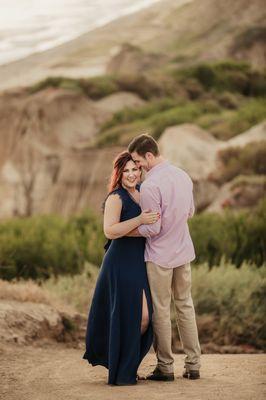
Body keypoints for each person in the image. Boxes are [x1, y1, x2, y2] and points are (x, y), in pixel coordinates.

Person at [127, 134, 201, 381]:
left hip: (159, 256)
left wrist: (128, 230)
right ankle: (193, 365)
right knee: (185, 305)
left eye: (138, 161)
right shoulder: (183, 175)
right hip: (183, 252)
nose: (138, 167)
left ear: (149, 155)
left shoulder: (150, 185)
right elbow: (189, 212)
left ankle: (165, 367)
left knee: (160, 309)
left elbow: (152, 228)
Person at [82, 151, 160, 386]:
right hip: (119, 262)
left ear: (140, 169)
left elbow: (145, 230)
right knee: (135, 315)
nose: (131, 174)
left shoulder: (143, 192)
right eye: (125, 171)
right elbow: (110, 231)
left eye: (134, 169)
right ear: (119, 174)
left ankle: (127, 365)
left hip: (139, 260)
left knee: (145, 318)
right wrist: (140, 221)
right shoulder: (116, 197)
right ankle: (122, 370)